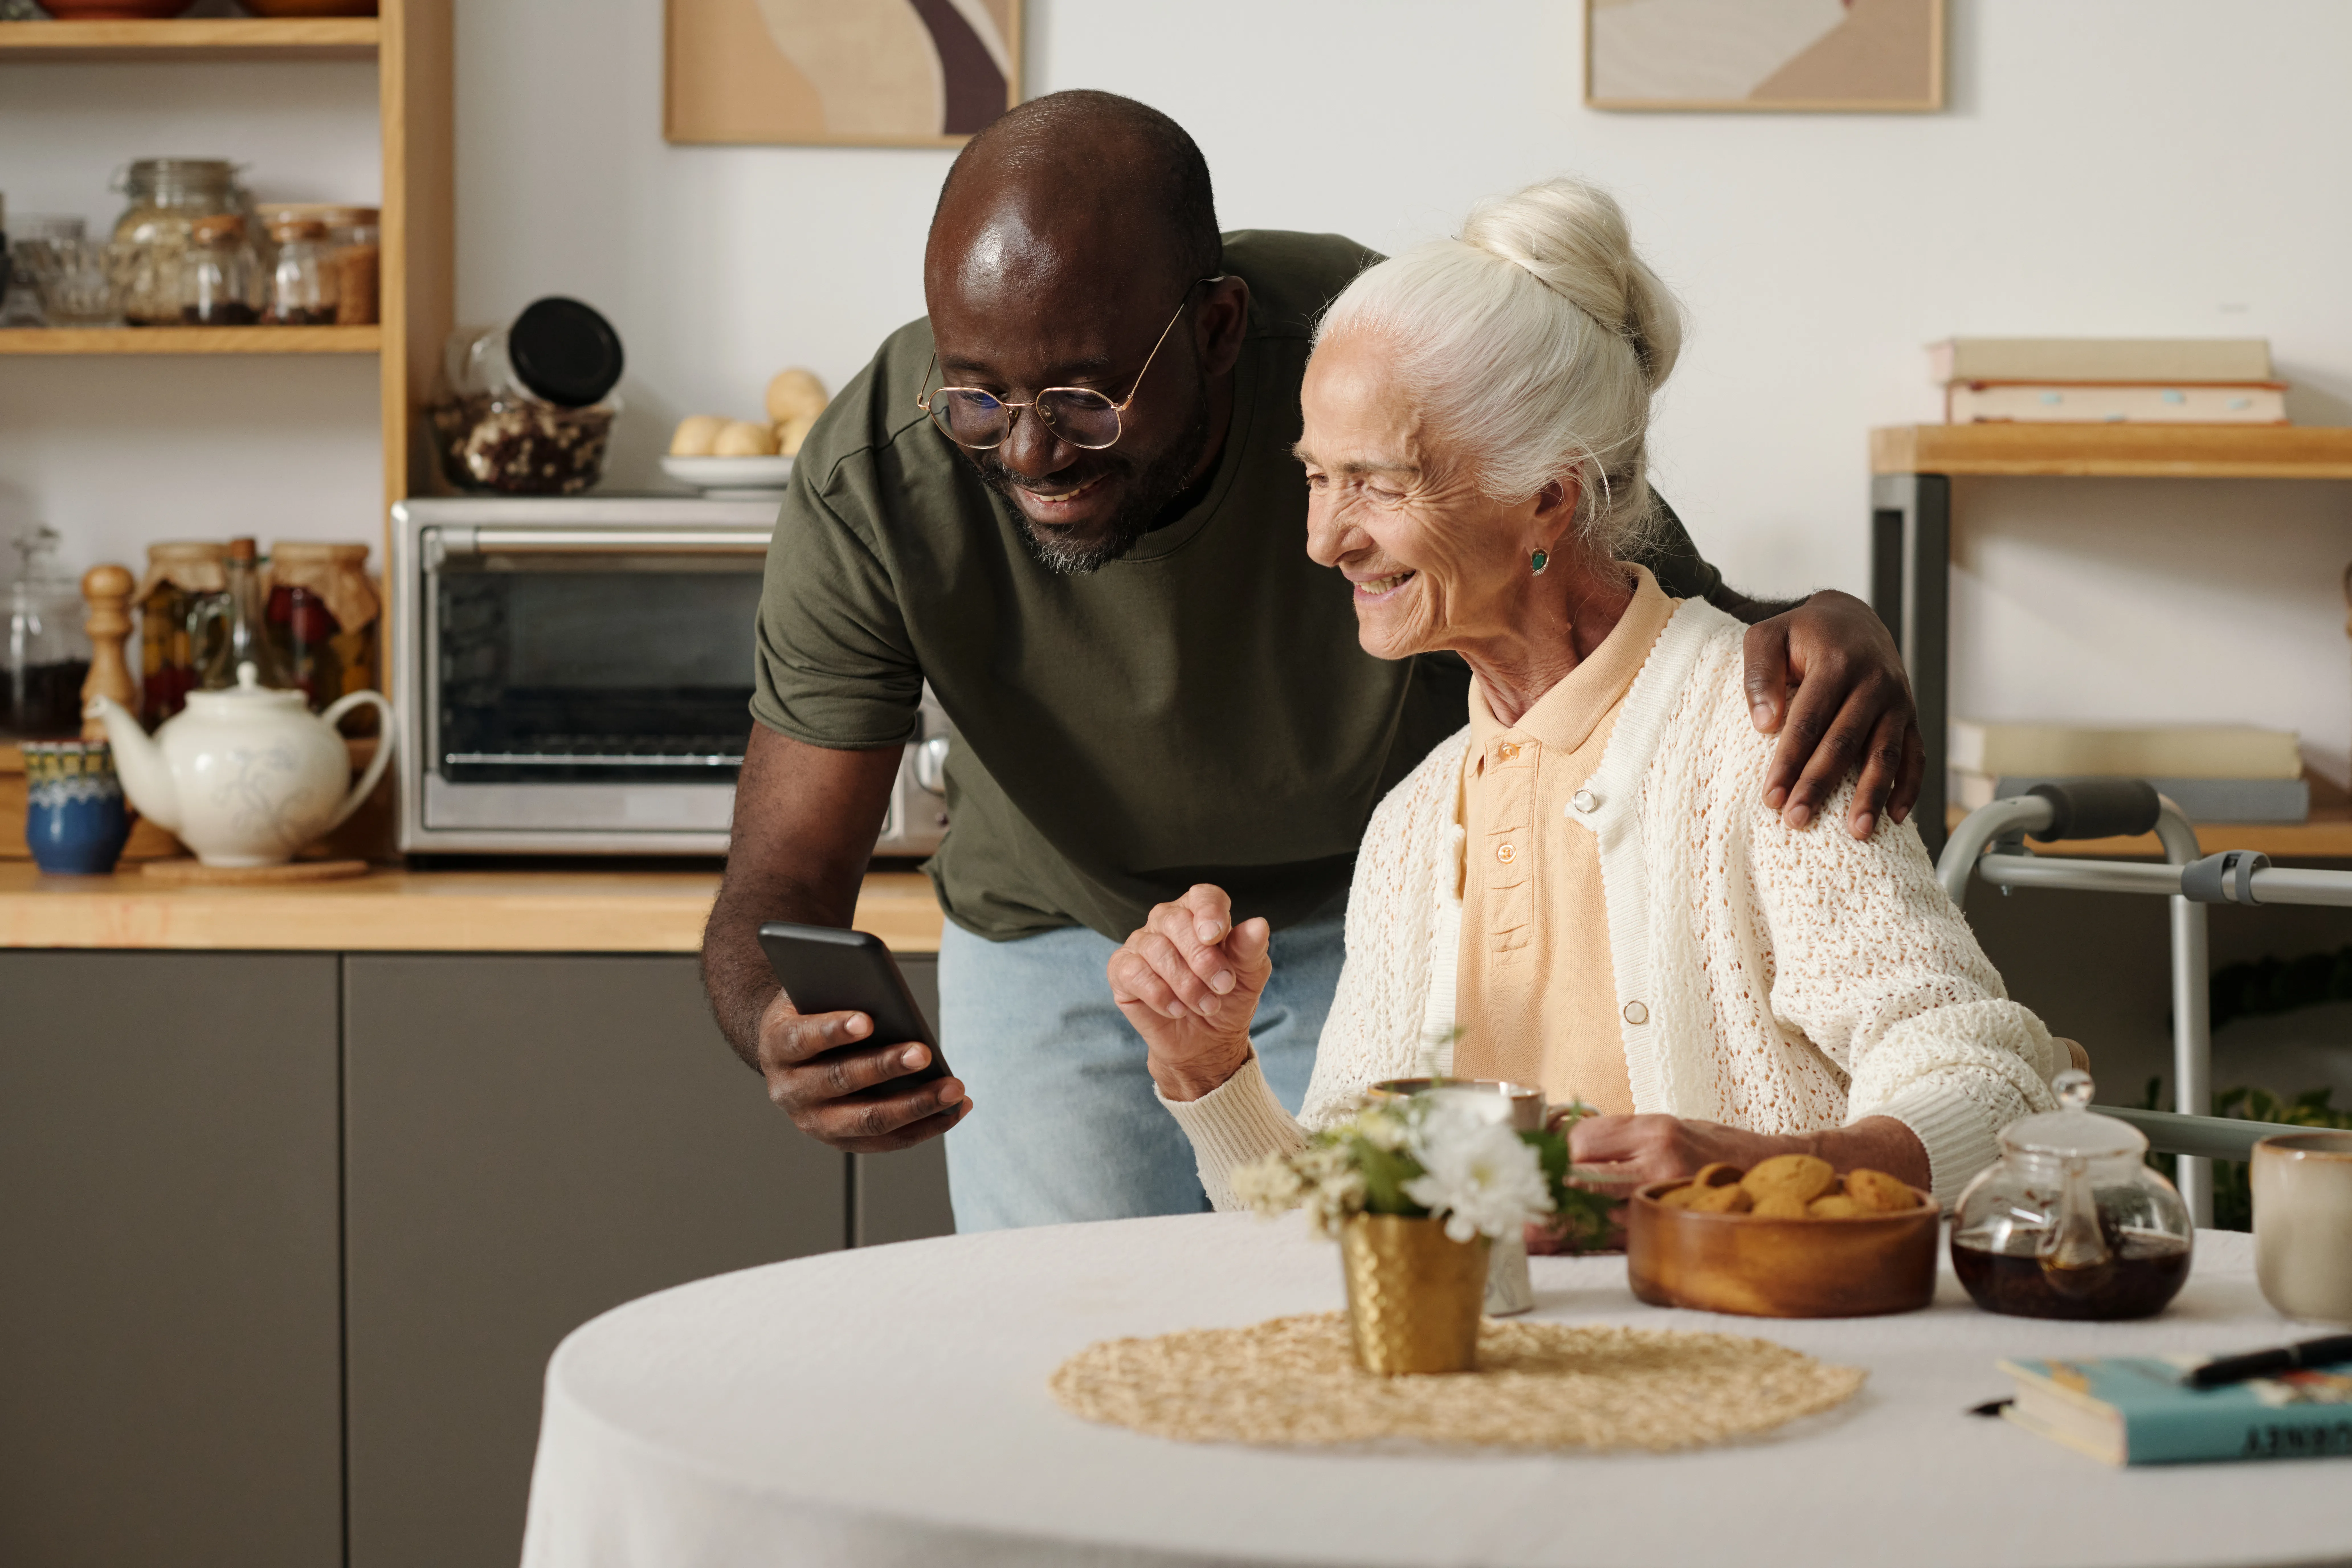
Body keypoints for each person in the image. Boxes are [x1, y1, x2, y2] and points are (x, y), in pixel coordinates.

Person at [701, 90, 1929, 1233]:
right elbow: (784, 874)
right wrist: (782, 1025)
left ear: (1220, 328)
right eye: (977, 399)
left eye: (1086, 398)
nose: (1030, 453)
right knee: (1073, 1349)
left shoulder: (1368, 355)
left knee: (1346, 1308)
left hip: (1370, 901)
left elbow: (1621, 592)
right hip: (1054, 924)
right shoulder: (876, 473)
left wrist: (1827, 625)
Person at [1110, 177, 2061, 1214]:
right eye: (1315, 476)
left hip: (1758, 1343)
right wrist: (1208, 1069)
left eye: (1378, 483)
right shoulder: (1414, 827)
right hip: (1526, 1369)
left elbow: (1993, 1081)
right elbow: (1352, 1212)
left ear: (1547, 501)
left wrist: (1759, 1172)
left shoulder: (1764, 729)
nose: (1324, 538)